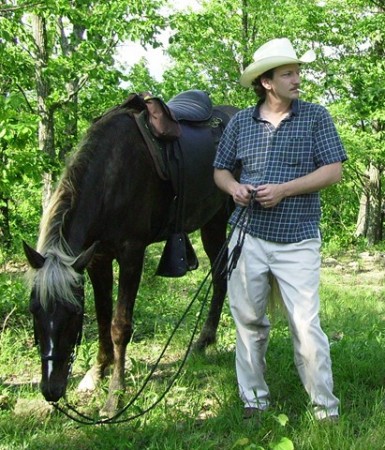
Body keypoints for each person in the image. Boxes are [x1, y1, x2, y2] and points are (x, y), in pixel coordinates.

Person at [213, 38, 347, 421]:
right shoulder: (241, 121)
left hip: (298, 237)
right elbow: (220, 170)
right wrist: (234, 188)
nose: (297, 78)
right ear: (267, 82)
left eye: (297, 71)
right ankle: (254, 400)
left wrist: (284, 190)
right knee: (249, 322)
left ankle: (325, 408)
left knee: (305, 325)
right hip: (247, 234)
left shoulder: (315, 117)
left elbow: (333, 170)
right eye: (288, 73)